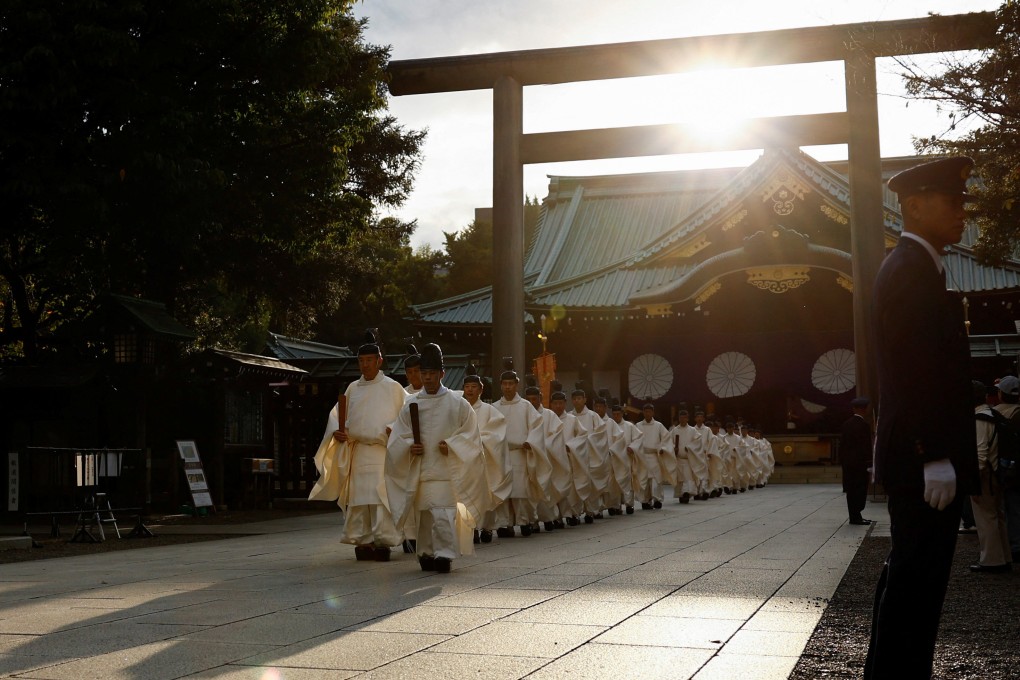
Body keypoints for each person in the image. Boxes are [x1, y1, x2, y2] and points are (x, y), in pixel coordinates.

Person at [864, 156, 981, 679]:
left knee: (914, 576)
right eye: (950, 201)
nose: (961, 211)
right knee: (917, 579)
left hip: (922, 451)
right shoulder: (910, 270)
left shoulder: (920, 265)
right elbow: (915, 372)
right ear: (914, 206)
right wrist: (932, 452)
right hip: (922, 455)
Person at [386, 344, 487, 573]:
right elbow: (398, 437)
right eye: (425, 374)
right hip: (420, 470)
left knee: (443, 514)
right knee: (424, 517)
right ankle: (426, 552)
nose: (428, 378)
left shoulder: (457, 403)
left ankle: (444, 554)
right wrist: (410, 446)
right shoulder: (410, 405)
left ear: (442, 374)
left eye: (432, 374)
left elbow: (471, 434)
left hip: (444, 470)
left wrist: (452, 446)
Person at [308, 339, 407, 562]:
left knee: (381, 498)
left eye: (370, 360)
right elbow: (337, 416)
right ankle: (362, 540)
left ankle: (383, 541)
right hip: (358, 451)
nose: (365, 365)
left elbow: (406, 416)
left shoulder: (393, 387)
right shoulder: (353, 388)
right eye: (361, 361)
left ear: (379, 361)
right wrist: (339, 431)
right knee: (359, 499)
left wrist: (393, 430)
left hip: (382, 451)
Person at [493, 361, 550, 537]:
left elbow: (537, 426)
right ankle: (504, 523)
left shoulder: (525, 406)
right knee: (502, 490)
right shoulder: (494, 407)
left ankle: (524, 520)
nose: (508, 387)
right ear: (501, 385)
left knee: (520, 489)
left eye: (511, 384)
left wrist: (530, 441)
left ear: (516, 385)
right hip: (502, 454)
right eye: (505, 384)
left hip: (520, 452)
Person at [462, 368, 511, 544]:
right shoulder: (460, 409)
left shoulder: (490, 411)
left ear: (481, 389)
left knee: (487, 492)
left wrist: (478, 441)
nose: (470, 390)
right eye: (467, 386)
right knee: (468, 493)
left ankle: (487, 527)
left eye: (473, 387)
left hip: (485, 457)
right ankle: (470, 527)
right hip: (465, 459)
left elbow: (497, 434)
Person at [970, 380, 1012, 573]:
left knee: (985, 518)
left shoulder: (979, 419)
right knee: (998, 516)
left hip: (985, 475)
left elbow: (980, 453)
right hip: (998, 471)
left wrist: (974, 482)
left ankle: (991, 560)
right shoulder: (993, 414)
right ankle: (1004, 556)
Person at [993, 375, 1020, 564]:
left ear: (1001, 394)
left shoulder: (994, 414)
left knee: (1004, 508)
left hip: (1003, 466)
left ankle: (1011, 546)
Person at [840, 397, 873, 526]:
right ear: (864, 409)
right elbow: (866, 446)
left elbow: (842, 446)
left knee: (851, 490)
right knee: (860, 489)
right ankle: (856, 516)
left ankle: (855, 515)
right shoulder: (864, 425)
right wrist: (870, 462)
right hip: (860, 463)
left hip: (848, 464)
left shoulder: (846, 424)